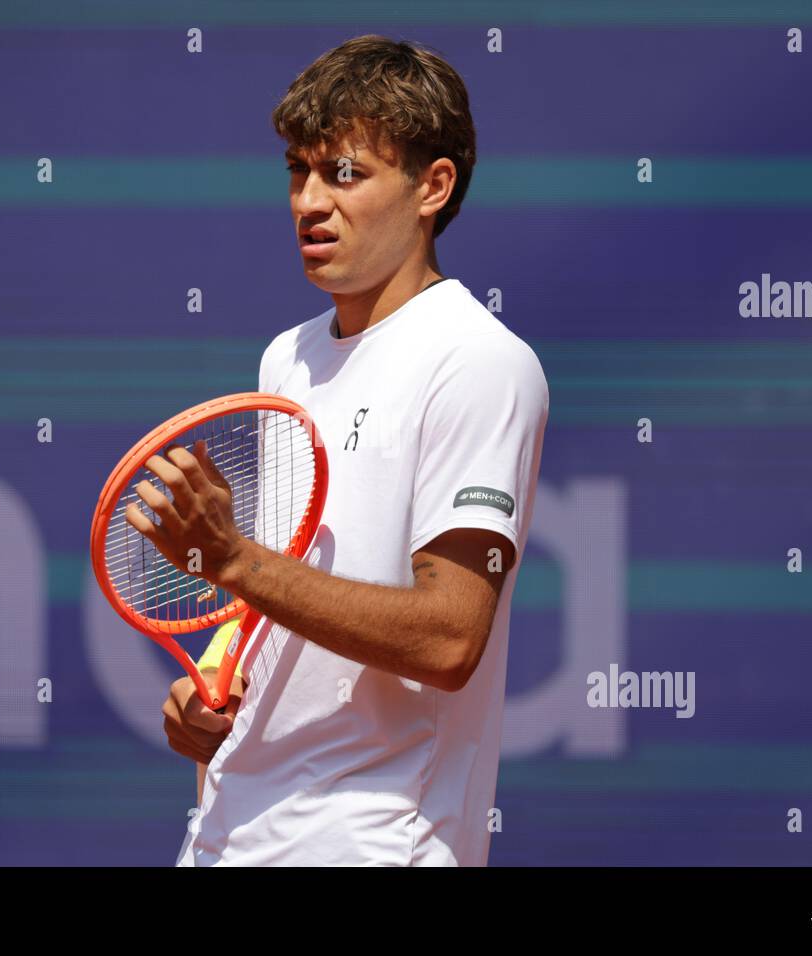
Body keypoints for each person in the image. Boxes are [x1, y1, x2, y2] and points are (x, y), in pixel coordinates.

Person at [130, 34, 549, 866]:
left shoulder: (480, 362)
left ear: (434, 187)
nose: (309, 202)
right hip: (225, 837)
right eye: (299, 170)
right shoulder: (285, 359)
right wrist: (215, 695)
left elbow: (447, 641)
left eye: (346, 174)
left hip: (372, 846)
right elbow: (277, 599)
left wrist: (233, 561)